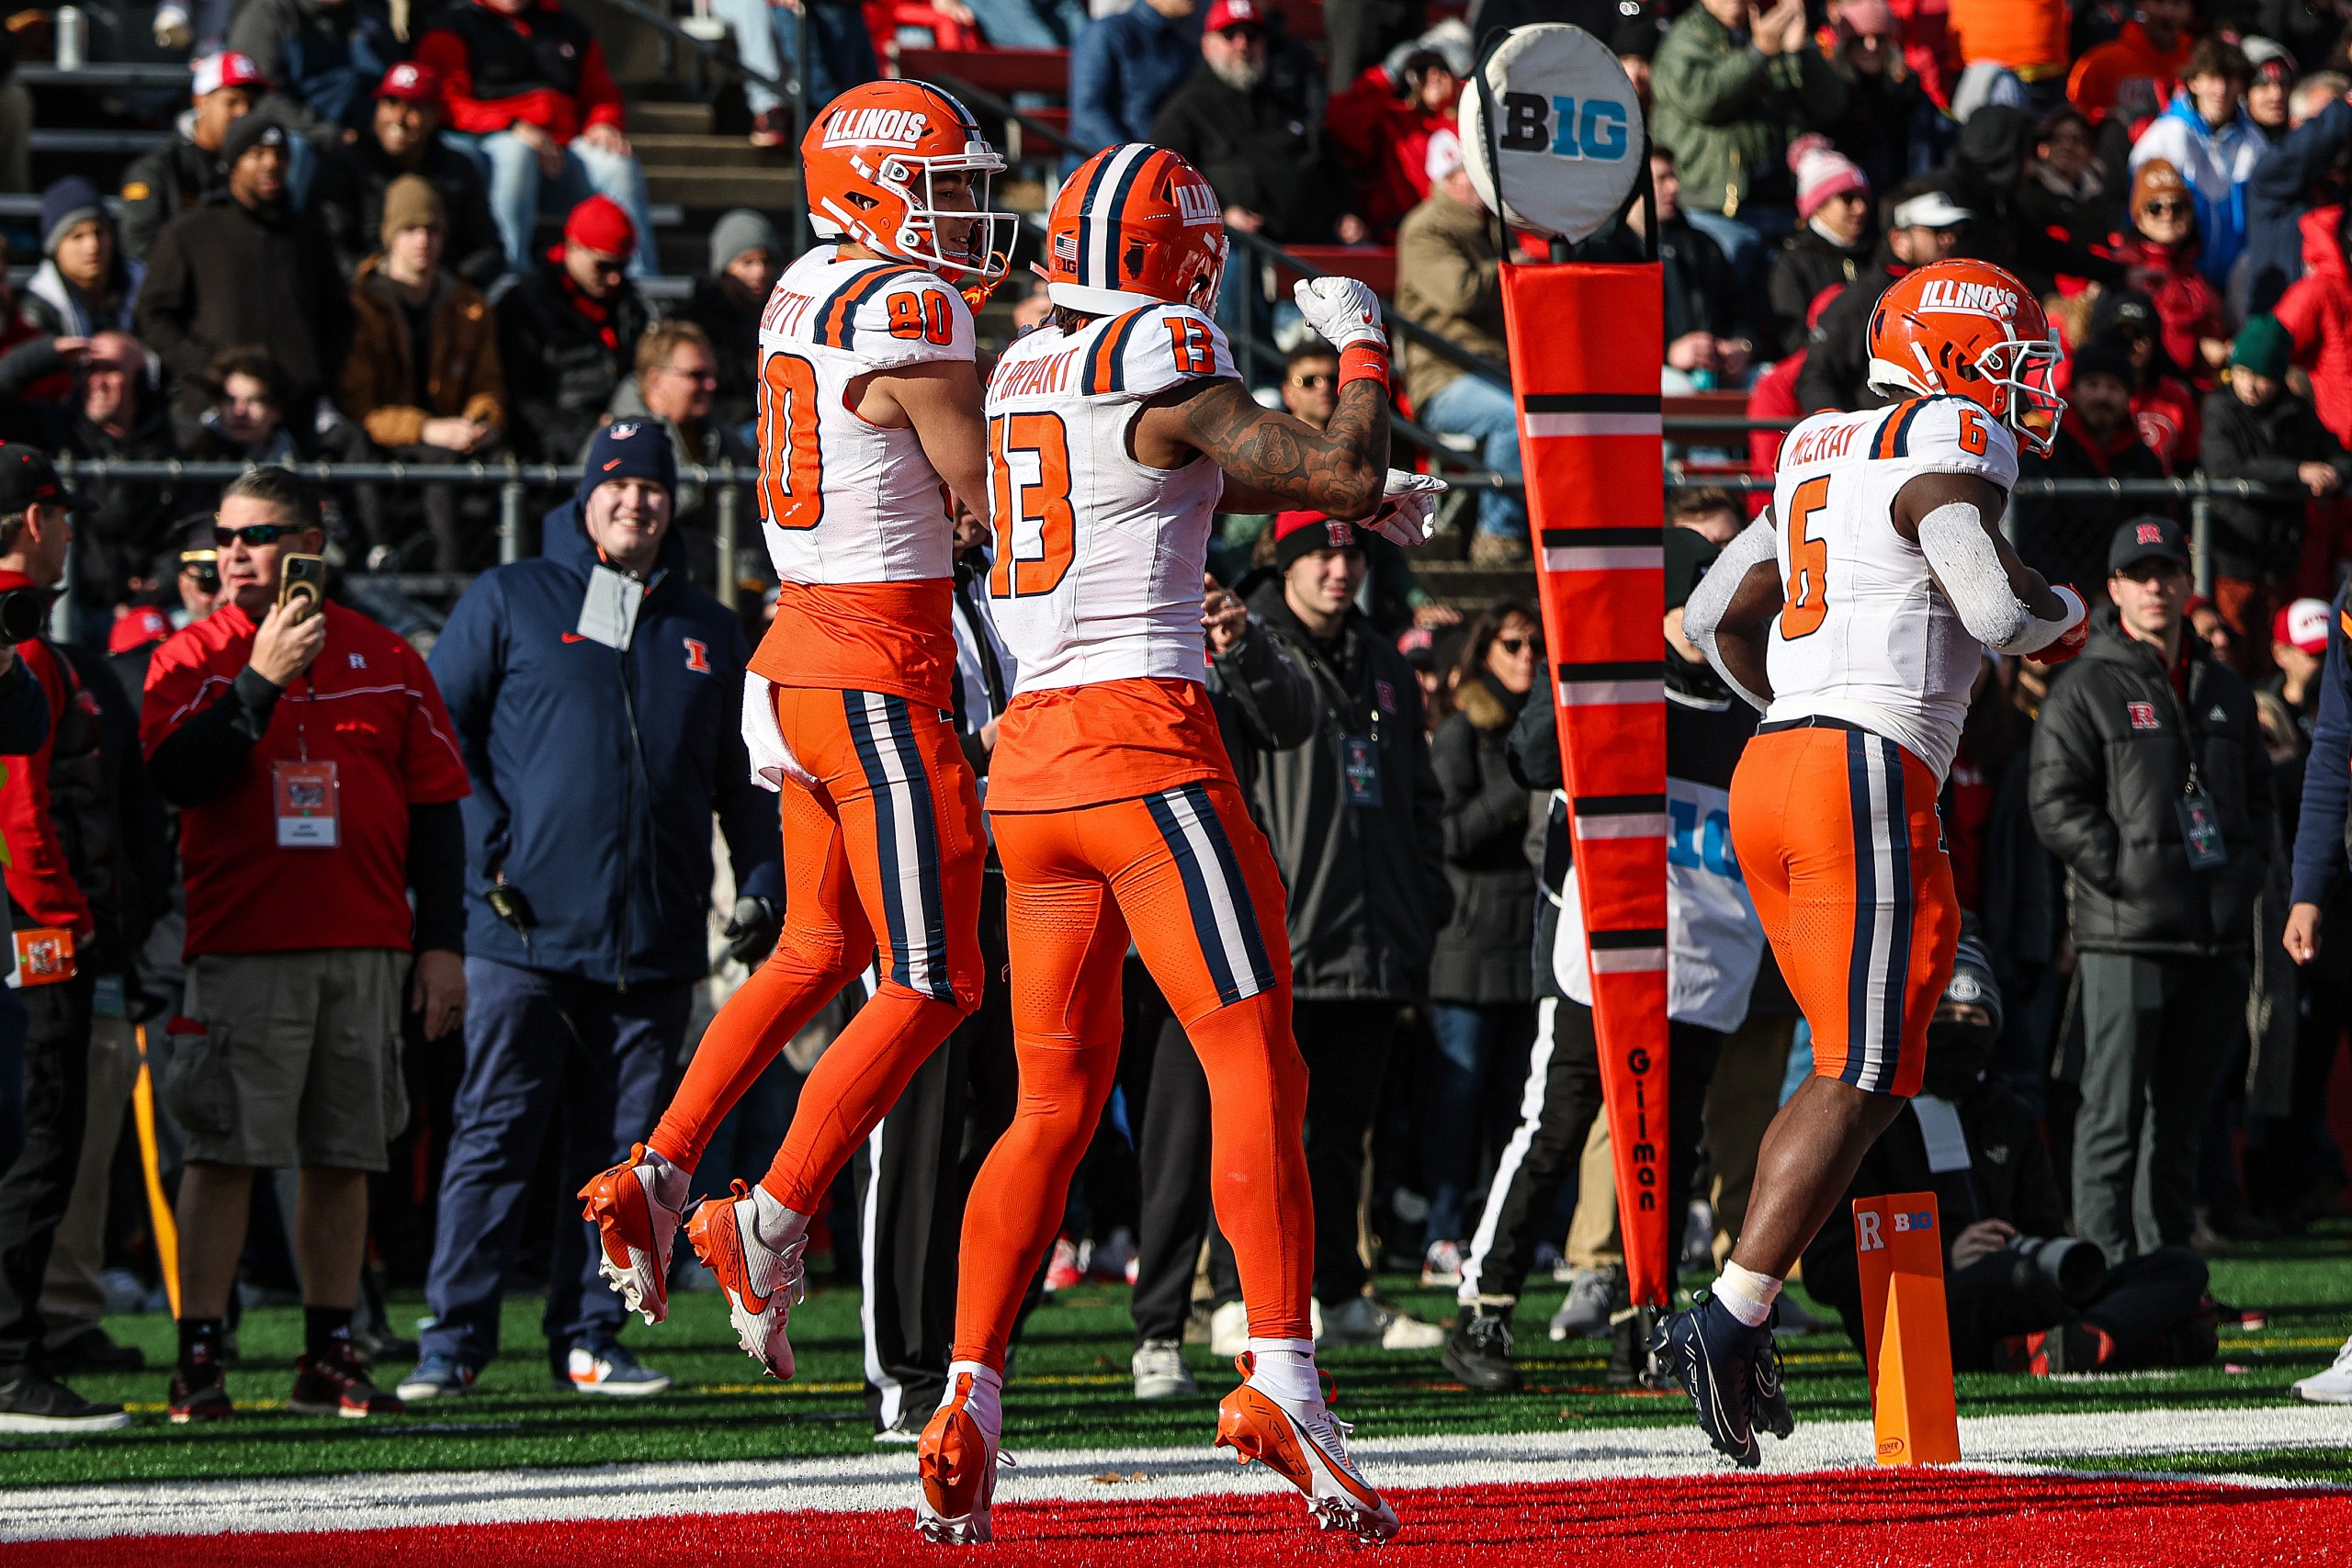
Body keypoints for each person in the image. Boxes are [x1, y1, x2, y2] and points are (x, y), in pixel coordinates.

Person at [913, 142, 1441, 1547]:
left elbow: (1152, 476)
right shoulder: (1164, 342)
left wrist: (1350, 493)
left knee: (1048, 1104)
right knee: (1255, 1050)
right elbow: (1330, 455)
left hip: (1026, 773)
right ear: (1170, 258)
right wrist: (1366, 349)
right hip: (1144, 749)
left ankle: (970, 1386)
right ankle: (1282, 1369)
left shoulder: (1031, 361)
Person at [576, 82, 1013, 1388]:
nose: (967, 217)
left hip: (803, 651)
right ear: (874, 191)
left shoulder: (812, 278)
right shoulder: (911, 305)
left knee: (821, 943)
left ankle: (656, 1169)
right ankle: (767, 1215)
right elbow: (990, 500)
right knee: (937, 976)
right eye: (942, 189)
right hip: (879, 661)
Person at [1678, 258, 2089, 1466]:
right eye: (2012, 362)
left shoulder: (1818, 440)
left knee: (1873, 1062)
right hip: (1865, 764)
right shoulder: (1950, 431)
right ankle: (1729, 1311)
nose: (2024, 391)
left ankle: (1746, 1302)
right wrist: (2069, 606)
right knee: (1868, 1063)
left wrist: (1793, 700)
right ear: (1958, 357)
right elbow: (1994, 609)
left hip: (1779, 764)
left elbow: (1711, 616)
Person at [399, 423, 779, 1402]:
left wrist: (762, 875)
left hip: (651, 943)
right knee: (495, 1137)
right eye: (615, 485)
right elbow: (440, 740)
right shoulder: (511, 597)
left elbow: (744, 779)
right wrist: (486, 856)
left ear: (672, 503)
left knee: (628, 1163)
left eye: (652, 487)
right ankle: (453, 1340)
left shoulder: (707, 624)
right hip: (519, 933)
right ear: (583, 497)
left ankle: (592, 1336)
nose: (634, 503)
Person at [141, 468, 470, 1423]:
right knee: (225, 1152)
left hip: (367, 944)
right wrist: (257, 681)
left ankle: (330, 1350)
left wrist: (440, 947)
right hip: (245, 948)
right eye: (225, 538)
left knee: (346, 1153)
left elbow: (438, 814)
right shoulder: (188, 656)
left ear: (313, 541)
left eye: (258, 534)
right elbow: (178, 777)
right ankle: (200, 1353)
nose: (234, 554)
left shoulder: (388, 657)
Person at [1445, 527, 1759, 1393]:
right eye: (1698, 599)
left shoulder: (1748, 699)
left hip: (1704, 958)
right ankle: (1484, 1311)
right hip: (1599, 948)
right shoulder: (1619, 680)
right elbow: (1530, 758)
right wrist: (1598, 671)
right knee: (1556, 1126)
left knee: (1667, 1146)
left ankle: (1642, 1318)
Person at [1227, 510, 1450, 1347]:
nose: (1337, 569)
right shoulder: (1247, 646)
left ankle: (1343, 1289)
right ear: (1284, 563)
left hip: (1372, 935)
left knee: (1345, 1130)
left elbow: (1420, 797)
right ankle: (1239, 1295)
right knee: (1261, 1123)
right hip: (1283, 930)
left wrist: (1424, 900)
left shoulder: (1385, 658)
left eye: (1348, 554)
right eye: (1318, 553)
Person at [2029, 516, 2272, 1266]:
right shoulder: (2084, 686)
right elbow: (2054, 804)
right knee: (2111, 1114)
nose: (2157, 585)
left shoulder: (2225, 685)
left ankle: (2167, 1281)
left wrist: (2242, 878)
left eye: (2168, 571)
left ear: (2190, 583)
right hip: (2126, 934)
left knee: (2183, 1120)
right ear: (2114, 589)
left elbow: (2260, 803)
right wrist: (2127, 876)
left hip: (2216, 935)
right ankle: (2101, 1280)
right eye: (2141, 573)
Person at [1800, 939, 2217, 1373]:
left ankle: (2070, 1343)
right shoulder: (1869, 1122)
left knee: (2179, 1266)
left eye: (1974, 1017)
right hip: (1920, 1310)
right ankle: (2118, 1338)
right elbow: (1827, 1268)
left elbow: (2046, 1228)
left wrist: (2021, 1245)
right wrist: (1946, 1253)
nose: (1959, 1029)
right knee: (2016, 1278)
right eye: (1943, 1017)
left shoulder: (2010, 1114)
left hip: (2027, 1291)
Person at [0, 448, 125, 1433]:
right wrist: (60, 924)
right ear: (30, 521)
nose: (70, 531)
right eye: (58, 513)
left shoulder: (32, 638)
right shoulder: (22, 642)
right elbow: (23, 812)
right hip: (29, 935)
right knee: (38, 1140)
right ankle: (10, 1363)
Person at [1418, 602, 1541, 1288]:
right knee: (1456, 1101)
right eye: (1513, 643)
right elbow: (1452, 833)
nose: (1527, 655)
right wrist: (1518, 789)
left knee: (1515, 1104)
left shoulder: (1542, 725)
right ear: (1485, 651)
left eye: (1534, 644)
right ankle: (1441, 1231)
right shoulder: (1463, 731)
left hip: (1526, 943)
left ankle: (1509, 1233)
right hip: (1466, 947)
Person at [415, 0, 660, 277]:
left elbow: (601, 92)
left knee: (617, 165)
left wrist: (603, 123)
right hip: (490, 149)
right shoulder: (454, 25)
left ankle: (642, 283)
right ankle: (509, 277)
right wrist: (510, 125)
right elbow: (444, 102)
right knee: (515, 152)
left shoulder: (567, 25)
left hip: (562, 150)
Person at [339, 175, 506, 570]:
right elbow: (359, 404)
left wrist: (484, 421)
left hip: (456, 433)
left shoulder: (468, 304)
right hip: (387, 436)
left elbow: (489, 383)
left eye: (432, 230)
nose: (422, 240)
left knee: (505, 461)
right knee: (438, 459)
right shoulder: (361, 305)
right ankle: (446, 579)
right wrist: (427, 428)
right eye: (410, 229)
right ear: (389, 236)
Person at [136, 117, 351, 419]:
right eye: (258, 154)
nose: (271, 164)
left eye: (279, 154)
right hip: (214, 412)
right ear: (234, 162)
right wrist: (210, 369)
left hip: (297, 411)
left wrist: (314, 375)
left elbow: (337, 315)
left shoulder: (308, 234)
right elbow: (154, 315)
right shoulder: (190, 232)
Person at [1150, 0, 1368, 249]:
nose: (1242, 45)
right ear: (1207, 44)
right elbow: (1166, 177)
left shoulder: (1285, 102)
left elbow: (1329, 161)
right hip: (1234, 246)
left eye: (1252, 35)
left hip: (1316, 242)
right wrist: (1221, 212)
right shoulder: (1187, 108)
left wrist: (1347, 212)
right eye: (1230, 35)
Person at [1649, 0, 1848, 272]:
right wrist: (1759, 52)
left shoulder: (1769, 27)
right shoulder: (1688, 37)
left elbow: (1831, 105)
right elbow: (1702, 98)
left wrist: (1802, 51)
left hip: (1782, 205)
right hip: (1715, 208)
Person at [1396, 130, 1521, 563]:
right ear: (1450, 176)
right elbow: (1460, 291)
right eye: (1475, 172)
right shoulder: (1424, 228)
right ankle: (1498, 538)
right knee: (1512, 418)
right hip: (1444, 380)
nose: (1486, 181)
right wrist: (1511, 268)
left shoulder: (1485, 229)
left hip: (1493, 372)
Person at [2201, 314, 2352, 655]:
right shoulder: (2220, 410)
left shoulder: (2295, 412)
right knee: (2231, 649)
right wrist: (2297, 471)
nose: (2251, 385)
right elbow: (2226, 466)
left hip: (2284, 560)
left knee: (2277, 653)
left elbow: (2337, 454)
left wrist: (2332, 475)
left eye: (2262, 377)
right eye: (2243, 374)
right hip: (2234, 560)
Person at [312, 62, 506, 288]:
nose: (399, 118)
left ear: (434, 115)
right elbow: (327, 246)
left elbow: (489, 250)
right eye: (391, 103)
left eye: (414, 107)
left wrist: (448, 281)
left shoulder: (457, 169)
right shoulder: (346, 164)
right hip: (364, 301)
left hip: (442, 299)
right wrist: (375, 277)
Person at [596, 320, 756, 586]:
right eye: (696, 375)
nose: (711, 385)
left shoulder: (721, 438)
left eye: (712, 376)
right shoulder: (613, 443)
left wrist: (752, 586)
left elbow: (748, 526)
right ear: (656, 380)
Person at [492, 196, 649, 460]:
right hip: (552, 453)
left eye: (622, 266)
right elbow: (521, 400)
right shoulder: (525, 304)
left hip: (614, 442)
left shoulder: (630, 308)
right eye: (604, 265)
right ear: (572, 248)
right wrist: (589, 429)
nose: (615, 278)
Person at [2013, 336, 2171, 596]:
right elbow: (2031, 540)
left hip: (2129, 598)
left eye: (2112, 387)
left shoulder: (2143, 459)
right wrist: (2080, 593)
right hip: (2056, 596)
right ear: (2074, 390)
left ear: (2128, 396)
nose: (2102, 395)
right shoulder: (2045, 451)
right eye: (2092, 384)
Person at [1795, 182, 1968, 415]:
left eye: (1953, 231)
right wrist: (1847, 431)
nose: (1949, 240)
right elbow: (1815, 377)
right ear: (1898, 238)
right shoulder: (1862, 300)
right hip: (1884, 442)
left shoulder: (1960, 294)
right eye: (1936, 231)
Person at [2129, 39, 2262, 291]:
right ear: (2193, 82)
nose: (2221, 89)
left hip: (2236, 279)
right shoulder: (2167, 136)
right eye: (2212, 77)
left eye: (2230, 78)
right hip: (2180, 279)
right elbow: (2137, 214)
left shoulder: (2254, 143)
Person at [119, 51, 267, 263]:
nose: (243, 113)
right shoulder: (158, 170)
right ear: (200, 101)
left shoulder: (263, 168)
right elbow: (139, 245)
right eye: (232, 102)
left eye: (251, 105)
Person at [2241, 71, 2352, 316]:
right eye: (2323, 122)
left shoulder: (2340, 188)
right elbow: (2308, 149)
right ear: (2297, 125)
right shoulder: (2270, 177)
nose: (2339, 135)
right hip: (2281, 336)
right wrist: (2346, 105)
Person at [226, 0, 398, 147]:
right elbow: (260, 98)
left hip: (356, 132)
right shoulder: (267, 13)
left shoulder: (363, 13)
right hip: (296, 133)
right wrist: (326, 132)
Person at [1766, 137, 1872, 359]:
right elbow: (1792, 339)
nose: (1860, 208)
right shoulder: (1792, 262)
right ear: (1819, 204)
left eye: (1863, 198)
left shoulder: (1873, 254)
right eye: (1847, 198)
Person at [678, 209, 781, 435]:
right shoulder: (696, 324)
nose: (760, 271)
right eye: (747, 262)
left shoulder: (781, 319)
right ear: (724, 269)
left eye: (766, 261)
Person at [1068, 0, 1201, 156]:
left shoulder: (1185, 47)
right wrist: (1135, 158)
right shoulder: (1107, 33)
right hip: (1106, 169)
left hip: (1164, 167)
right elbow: (1088, 112)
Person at [21, 179, 140, 341]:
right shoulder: (37, 311)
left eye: (99, 232)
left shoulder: (143, 286)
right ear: (54, 248)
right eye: (77, 236)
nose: (93, 246)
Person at [2066, 0, 2193, 126]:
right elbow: (2074, 116)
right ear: (2141, 4)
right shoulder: (2102, 61)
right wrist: (2106, 118)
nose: (2168, 13)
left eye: (2177, 4)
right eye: (2158, 3)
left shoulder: (2195, 62)